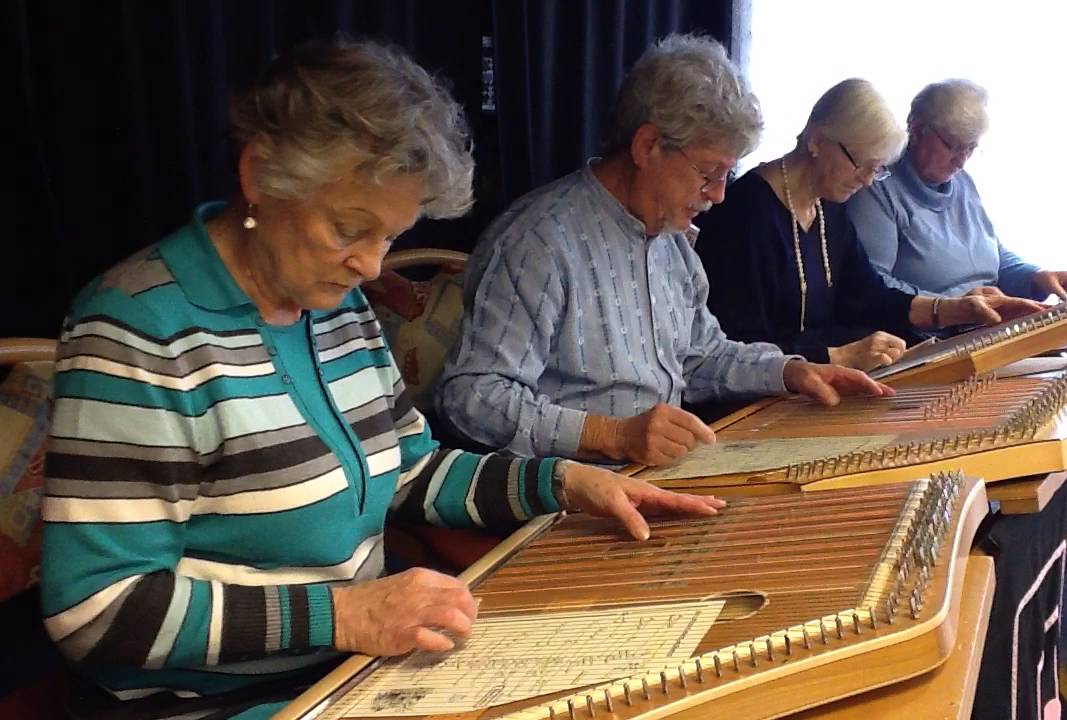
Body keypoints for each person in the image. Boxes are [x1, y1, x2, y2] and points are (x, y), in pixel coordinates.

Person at [40, 39, 724, 720]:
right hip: (212, 703)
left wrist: (564, 483)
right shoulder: (139, 330)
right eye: (349, 229)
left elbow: (409, 470)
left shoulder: (335, 307)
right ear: (261, 175)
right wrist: (344, 616)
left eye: (390, 237)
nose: (371, 267)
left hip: (349, 672)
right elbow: (96, 609)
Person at [435, 35, 893, 469]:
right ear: (648, 146)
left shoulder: (671, 242)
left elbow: (702, 356)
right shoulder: (538, 243)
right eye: (709, 173)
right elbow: (472, 396)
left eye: (726, 176)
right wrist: (611, 435)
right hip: (570, 495)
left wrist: (792, 372)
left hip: (655, 477)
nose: (718, 195)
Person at [696, 79, 1045, 369]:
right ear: (816, 140)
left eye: (875, 169)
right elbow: (734, 344)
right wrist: (837, 356)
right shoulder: (745, 212)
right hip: (759, 401)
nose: (866, 181)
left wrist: (955, 310)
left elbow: (867, 295)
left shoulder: (826, 207)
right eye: (860, 164)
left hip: (815, 385)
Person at [846, 79, 1067, 300]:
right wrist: (953, 307)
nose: (961, 161)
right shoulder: (876, 188)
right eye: (953, 146)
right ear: (916, 128)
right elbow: (872, 290)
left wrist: (1036, 277)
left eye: (970, 149)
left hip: (985, 321)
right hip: (932, 332)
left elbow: (993, 256)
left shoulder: (961, 181)